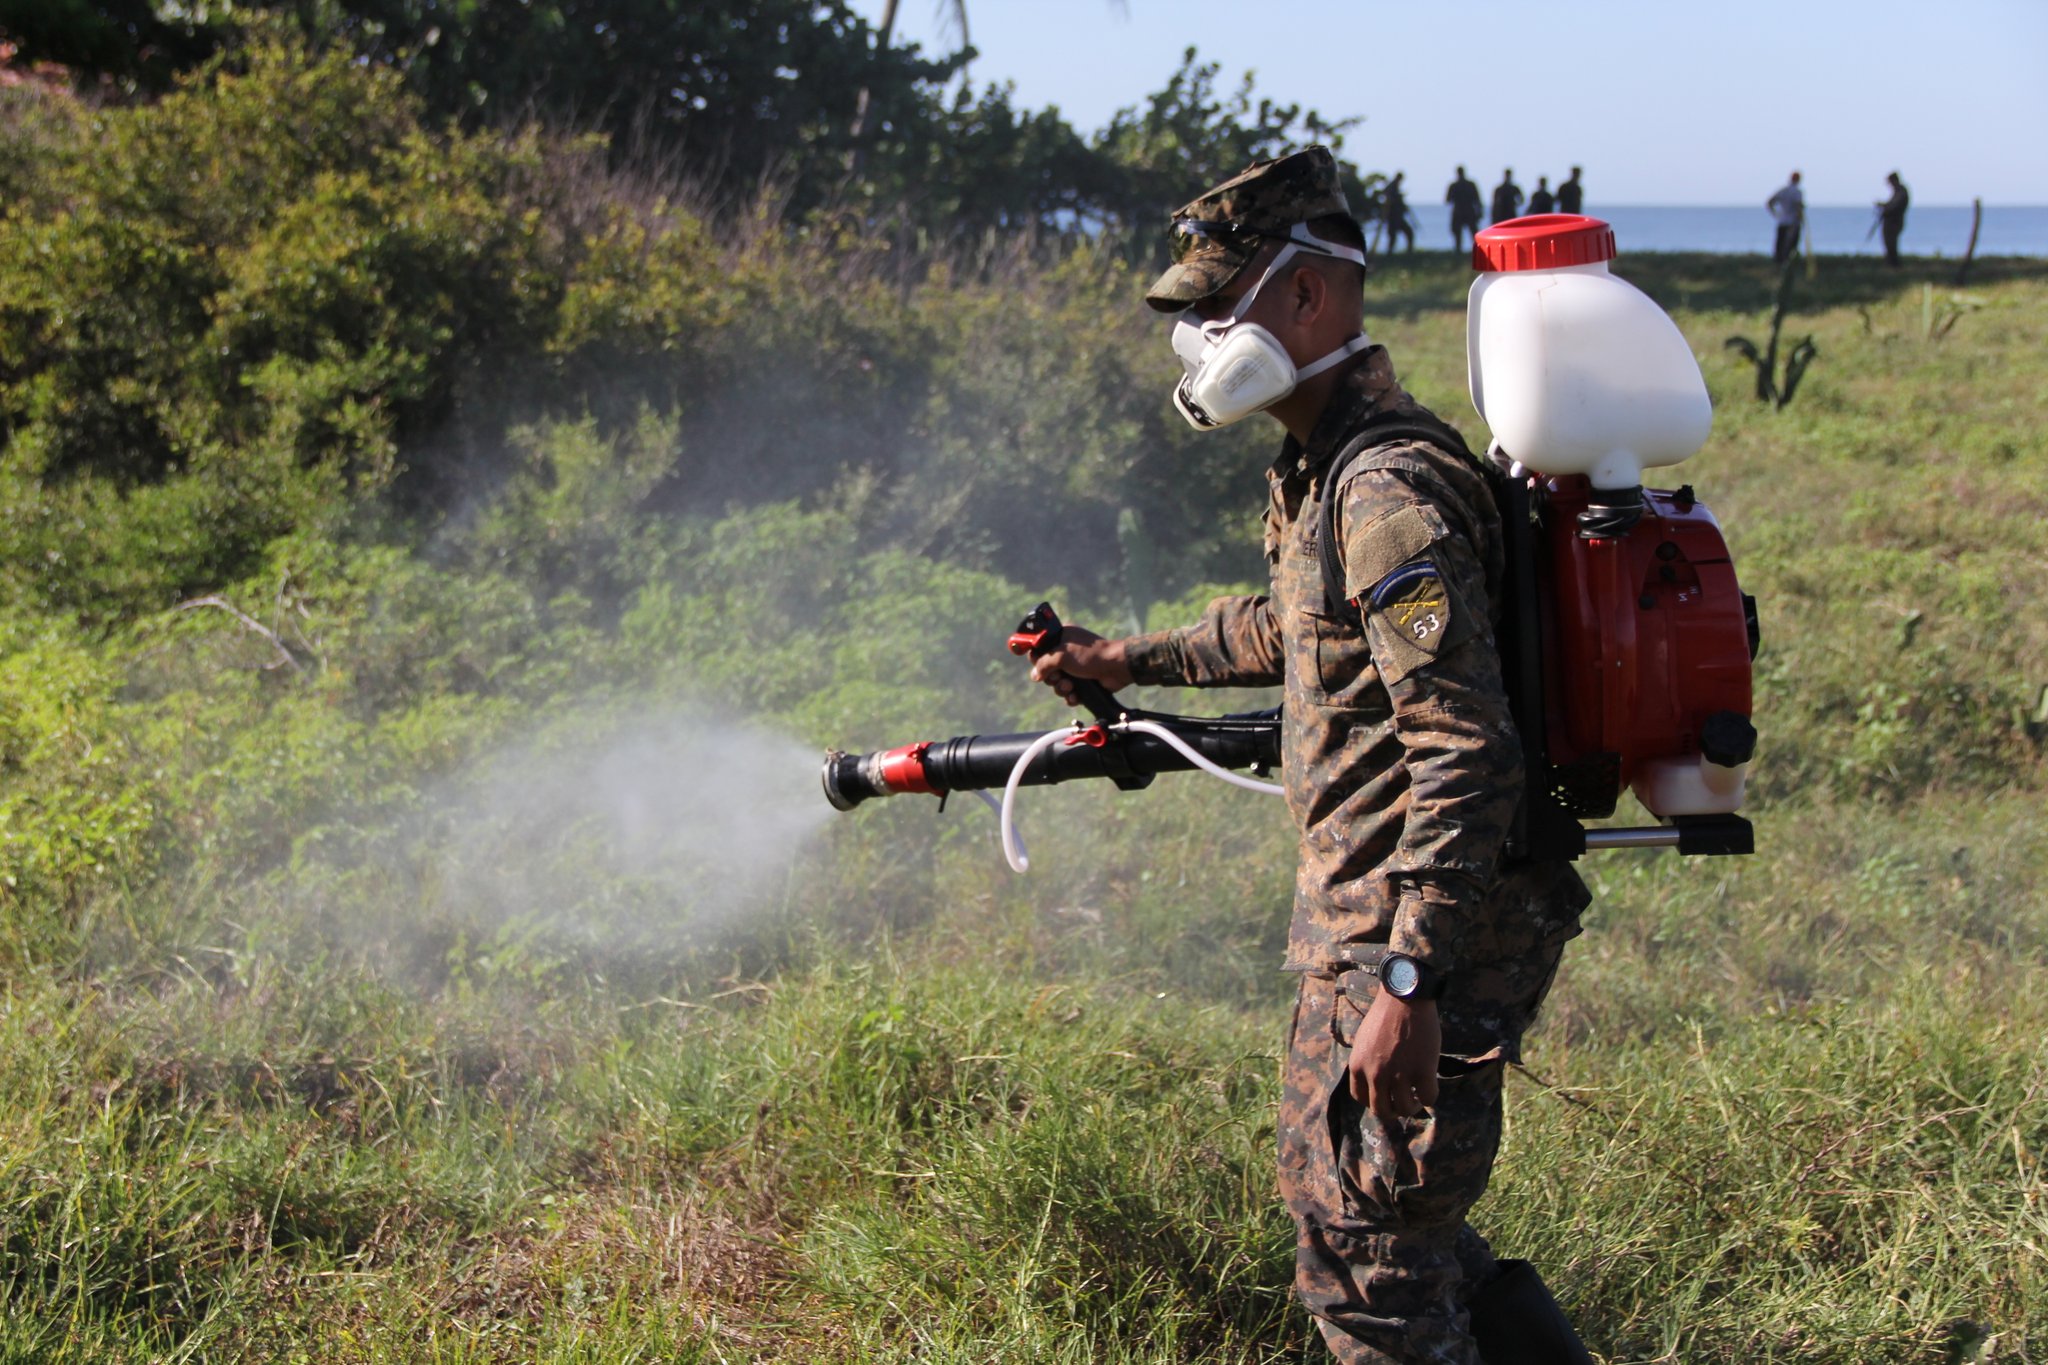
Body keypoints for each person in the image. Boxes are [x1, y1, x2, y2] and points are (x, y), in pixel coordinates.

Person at [1026, 146, 1595, 1365]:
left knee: (1370, 1267)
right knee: (1363, 1221)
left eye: (1216, 304)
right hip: (1367, 926)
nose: (1198, 336)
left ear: (1307, 297)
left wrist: (1407, 986)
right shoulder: (1324, 465)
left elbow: (1462, 747)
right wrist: (1127, 659)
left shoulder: (1383, 483)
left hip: (1416, 931)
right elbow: (1293, 625)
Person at [1766, 171, 1804, 264]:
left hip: (1782, 221)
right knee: (1791, 245)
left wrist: (1776, 214)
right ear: (1798, 180)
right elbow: (1798, 206)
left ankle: (1778, 263)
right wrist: (1801, 219)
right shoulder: (1797, 192)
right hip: (1793, 223)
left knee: (1780, 244)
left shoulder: (1783, 190)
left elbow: (1769, 202)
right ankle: (1788, 264)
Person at [1446, 166, 1484, 252]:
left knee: (1468, 234)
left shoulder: (1455, 185)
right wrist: (1479, 212)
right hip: (1466, 211)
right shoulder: (1469, 185)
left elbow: (1448, 200)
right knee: (1461, 234)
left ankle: (1470, 250)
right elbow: (1477, 200)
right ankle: (1469, 250)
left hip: (1461, 211)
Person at [1875, 171, 1909, 266]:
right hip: (1891, 221)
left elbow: (1895, 206)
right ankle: (1891, 263)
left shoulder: (1901, 191)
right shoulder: (1897, 191)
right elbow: (1892, 205)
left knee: (1891, 244)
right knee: (1888, 243)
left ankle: (1894, 264)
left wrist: (1886, 208)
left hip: (1894, 222)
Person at [1383, 172, 1415, 253]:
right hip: (1393, 216)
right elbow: (1388, 196)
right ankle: (1390, 252)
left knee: (1408, 232)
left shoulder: (1395, 186)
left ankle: (1409, 251)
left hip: (1397, 215)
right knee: (1393, 236)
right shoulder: (1392, 186)